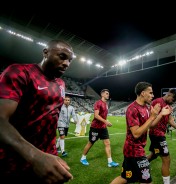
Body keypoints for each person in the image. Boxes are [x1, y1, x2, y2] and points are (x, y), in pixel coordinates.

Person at [0, 39, 74, 183]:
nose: (66, 63)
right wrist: (35, 156)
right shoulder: (20, 72)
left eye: (70, 60)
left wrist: (50, 153)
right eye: (62, 56)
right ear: (45, 53)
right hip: (16, 160)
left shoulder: (61, 83)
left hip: (48, 158)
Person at [110, 81, 172, 184]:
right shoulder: (132, 109)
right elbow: (136, 133)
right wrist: (152, 116)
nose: (153, 95)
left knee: (125, 178)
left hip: (136, 149)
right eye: (150, 93)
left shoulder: (145, 108)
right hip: (134, 150)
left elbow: (150, 125)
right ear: (143, 93)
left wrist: (160, 114)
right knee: (146, 180)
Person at [147, 88, 176, 184]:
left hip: (160, 134)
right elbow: (151, 120)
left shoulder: (168, 105)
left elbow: (170, 120)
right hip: (156, 134)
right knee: (167, 159)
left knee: (154, 155)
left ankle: (140, 164)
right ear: (169, 94)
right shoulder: (157, 102)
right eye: (173, 100)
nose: (173, 102)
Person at [80, 89, 119, 167]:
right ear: (102, 94)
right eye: (107, 93)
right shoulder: (98, 103)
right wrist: (105, 121)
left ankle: (110, 162)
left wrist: (106, 121)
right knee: (91, 142)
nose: (108, 95)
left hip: (103, 127)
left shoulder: (106, 104)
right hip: (95, 127)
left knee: (107, 143)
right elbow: (96, 115)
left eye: (108, 93)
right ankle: (83, 158)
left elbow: (103, 116)